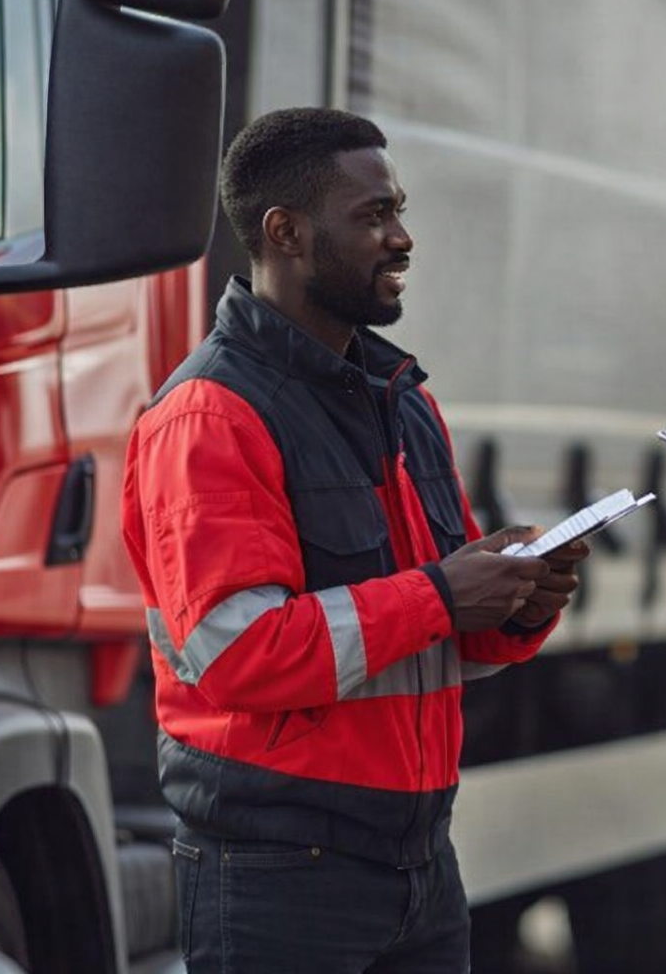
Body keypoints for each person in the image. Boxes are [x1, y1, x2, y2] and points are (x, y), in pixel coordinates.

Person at [121, 107, 587, 973]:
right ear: (286, 232)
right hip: (276, 880)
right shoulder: (207, 417)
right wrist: (444, 593)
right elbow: (238, 652)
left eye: (399, 210)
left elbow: (439, 643)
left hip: (418, 866)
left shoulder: (404, 401)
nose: (402, 238)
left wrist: (520, 603)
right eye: (373, 216)